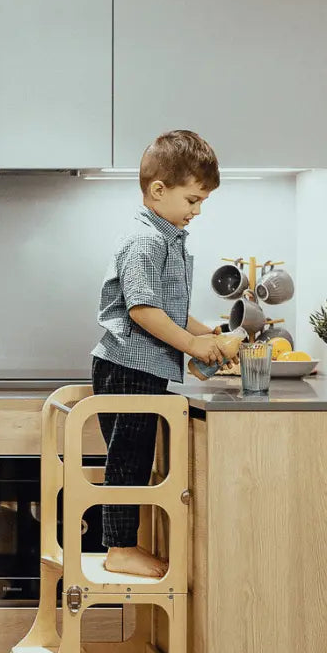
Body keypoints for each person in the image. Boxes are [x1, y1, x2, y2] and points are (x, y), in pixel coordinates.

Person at [91, 129, 223, 578]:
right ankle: (119, 550)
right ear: (159, 190)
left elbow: (170, 310)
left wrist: (210, 335)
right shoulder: (145, 241)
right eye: (192, 200)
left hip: (137, 368)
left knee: (137, 455)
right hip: (127, 365)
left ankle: (125, 545)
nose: (197, 211)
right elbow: (144, 310)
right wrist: (192, 345)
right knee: (128, 459)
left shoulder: (165, 239)